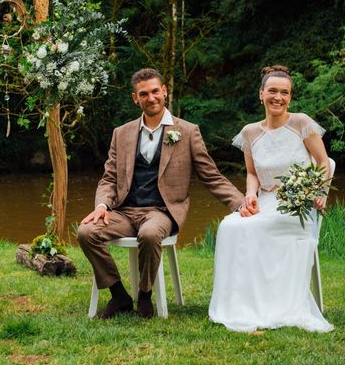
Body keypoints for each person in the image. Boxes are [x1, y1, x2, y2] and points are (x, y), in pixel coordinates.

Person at [77, 68, 243, 319]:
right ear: (136, 98)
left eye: (155, 91)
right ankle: (119, 294)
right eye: (144, 94)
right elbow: (109, 178)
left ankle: (144, 293)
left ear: (164, 91)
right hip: (124, 211)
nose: (151, 97)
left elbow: (211, 175)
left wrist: (240, 203)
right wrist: (102, 206)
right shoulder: (121, 134)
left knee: (150, 233)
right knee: (86, 232)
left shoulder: (187, 131)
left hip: (162, 211)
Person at [209, 65, 333, 332]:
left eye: (285, 92)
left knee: (255, 227)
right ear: (261, 94)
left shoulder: (301, 123)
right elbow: (252, 173)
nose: (279, 97)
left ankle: (271, 304)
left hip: (296, 205)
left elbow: (323, 162)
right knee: (229, 226)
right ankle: (238, 304)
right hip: (264, 201)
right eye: (273, 91)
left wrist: (318, 191)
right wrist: (250, 195)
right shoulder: (250, 132)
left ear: (290, 97)